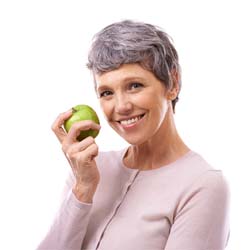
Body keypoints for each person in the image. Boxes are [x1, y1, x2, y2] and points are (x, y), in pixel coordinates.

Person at [37, 20, 230, 250]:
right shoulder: (89, 169)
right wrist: (83, 189)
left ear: (173, 83)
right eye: (107, 92)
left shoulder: (202, 185)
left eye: (135, 85)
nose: (121, 106)